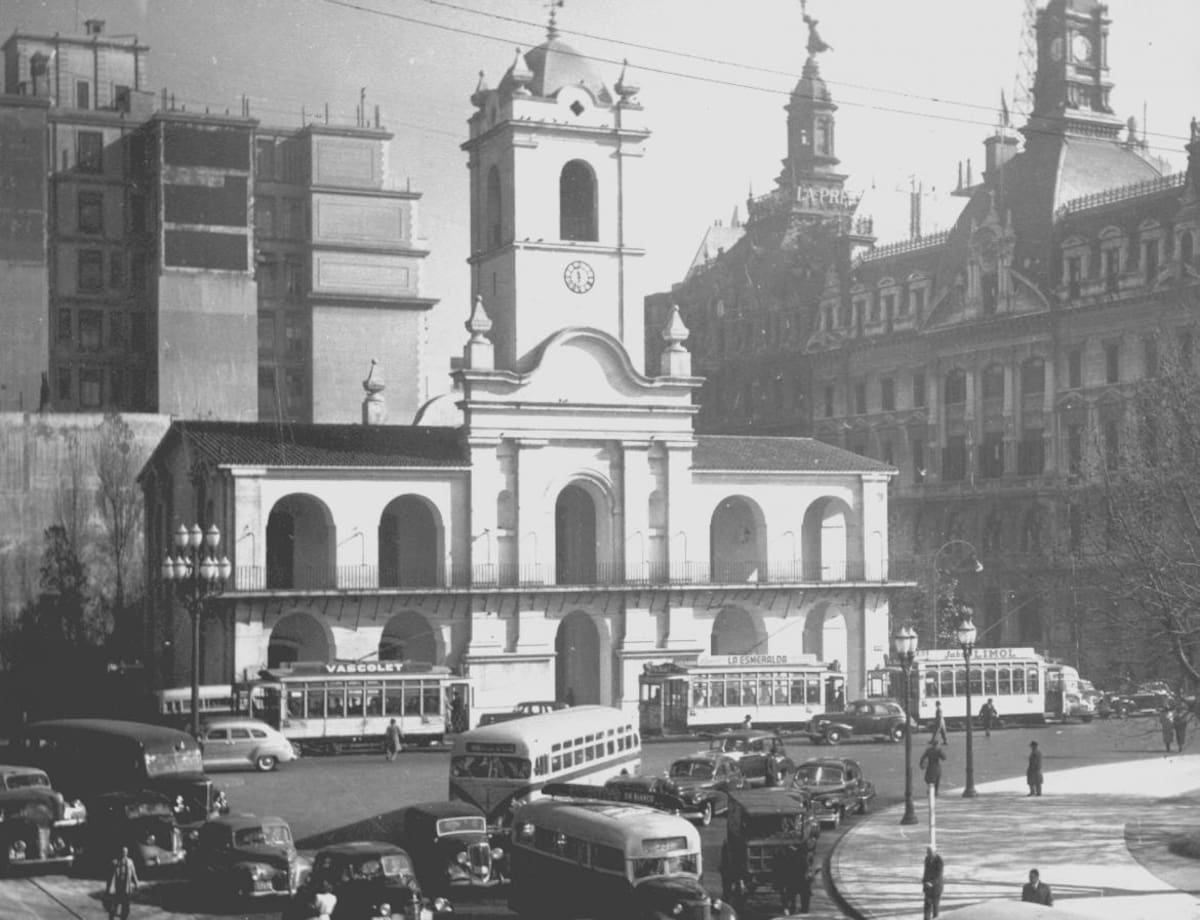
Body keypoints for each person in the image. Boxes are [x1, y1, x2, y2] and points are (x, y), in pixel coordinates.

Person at [772, 840, 812, 915]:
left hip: (794, 879)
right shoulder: (801, 856)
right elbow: (806, 867)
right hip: (798, 878)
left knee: (792, 894)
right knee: (799, 893)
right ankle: (798, 908)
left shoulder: (788, 856)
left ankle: (792, 908)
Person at [105, 846, 138, 920]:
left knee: (126, 907)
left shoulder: (130, 862)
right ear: (120, 853)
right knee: (114, 906)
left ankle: (123, 918)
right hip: (117, 888)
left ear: (127, 853)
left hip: (126, 888)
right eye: (123, 852)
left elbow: (133, 873)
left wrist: (136, 883)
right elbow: (109, 876)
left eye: (125, 852)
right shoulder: (115, 862)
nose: (124, 853)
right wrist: (108, 888)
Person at [922, 846, 944, 920]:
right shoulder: (927, 859)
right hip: (928, 887)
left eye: (930, 852)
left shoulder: (939, 861)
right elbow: (925, 872)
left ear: (935, 852)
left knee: (935, 906)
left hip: (936, 887)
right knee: (927, 906)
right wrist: (924, 882)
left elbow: (938, 875)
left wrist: (931, 883)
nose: (928, 854)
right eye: (927, 852)